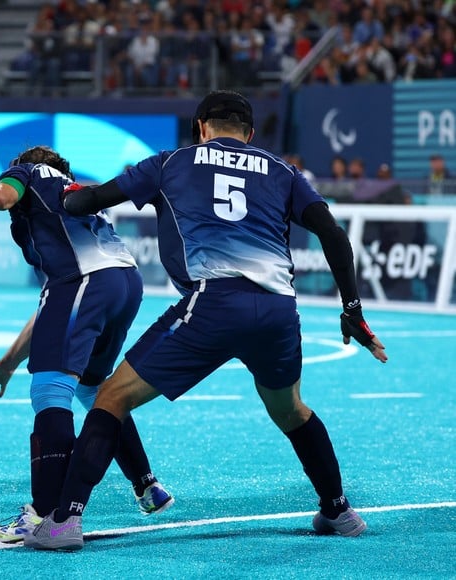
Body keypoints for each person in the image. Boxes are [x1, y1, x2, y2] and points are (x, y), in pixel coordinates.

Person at [25, 90, 388, 551]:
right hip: (278, 311)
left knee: (110, 398)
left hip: (212, 305)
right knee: (291, 410)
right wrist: (352, 309)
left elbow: (88, 202)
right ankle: (338, 509)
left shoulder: (171, 162)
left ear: (201, 128)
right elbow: (333, 234)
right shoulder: (283, 172)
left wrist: (56, 190)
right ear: (250, 134)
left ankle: (63, 522)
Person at [0, 145, 173, 545]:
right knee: (95, 388)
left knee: (50, 389)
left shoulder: (29, 174)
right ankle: (147, 484)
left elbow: (0, 196)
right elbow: (52, 305)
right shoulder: (71, 198)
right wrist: (8, 361)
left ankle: (46, 515)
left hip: (88, 282)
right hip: (125, 283)